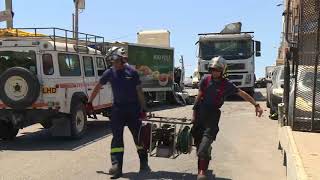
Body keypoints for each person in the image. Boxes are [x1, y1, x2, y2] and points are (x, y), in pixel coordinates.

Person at [192, 56, 263, 180]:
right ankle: (203, 163)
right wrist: (194, 113)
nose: (215, 72)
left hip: (213, 115)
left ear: (223, 71)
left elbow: (242, 94)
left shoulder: (227, 84)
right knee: (198, 144)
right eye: (213, 69)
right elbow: (199, 96)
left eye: (218, 70)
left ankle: (201, 172)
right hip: (200, 113)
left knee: (203, 147)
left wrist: (256, 105)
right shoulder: (205, 79)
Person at [87, 47, 150, 179]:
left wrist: (143, 109)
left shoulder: (132, 72)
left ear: (122, 60)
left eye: (115, 61)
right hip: (118, 110)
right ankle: (116, 166)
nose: (113, 64)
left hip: (133, 110)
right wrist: (89, 102)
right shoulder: (109, 72)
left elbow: (139, 91)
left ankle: (144, 163)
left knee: (138, 138)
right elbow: (98, 86)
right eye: (112, 61)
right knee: (117, 139)